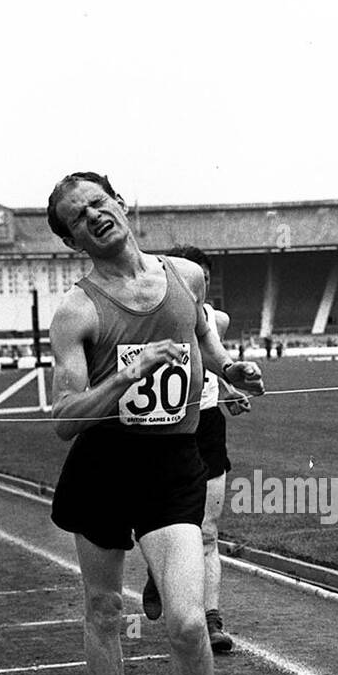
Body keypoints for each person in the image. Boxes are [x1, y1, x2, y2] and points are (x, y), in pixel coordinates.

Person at [46, 171, 264, 675]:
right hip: (104, 466)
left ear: (120, 201)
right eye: (78, 216)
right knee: (104, 611)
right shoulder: (76, 313)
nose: (94, 216)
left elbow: (202, 334)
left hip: (173, 463)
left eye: (98, 202)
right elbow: (65, 415)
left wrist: (228, 367)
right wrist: (127, 375)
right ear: (71, 239)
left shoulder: (187, 277)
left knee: (188, 620)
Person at [141, 246, 250, 653]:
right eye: (189, 281)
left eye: (202, 282)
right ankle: (158, 569)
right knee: (158, 522)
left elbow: (210, 359)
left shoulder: (216, 320)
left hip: (206, 425)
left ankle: (212, 619)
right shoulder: (151, 316)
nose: (195, 290)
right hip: (161, 429)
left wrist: (229, 389)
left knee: (207, 530)